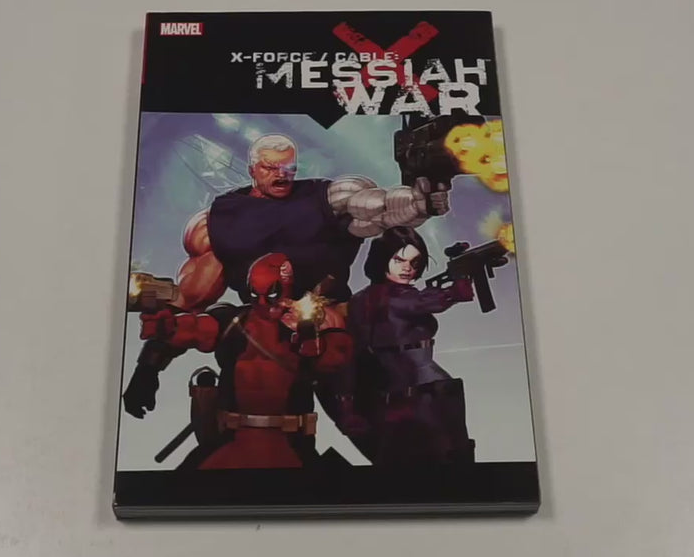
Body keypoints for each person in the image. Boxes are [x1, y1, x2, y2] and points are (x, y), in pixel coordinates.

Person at [123, 133, 449, 455]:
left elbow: (377, 209)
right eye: (270, 167)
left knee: (395, 431)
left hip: (327, 322)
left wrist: (416, 203)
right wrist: (147, 368)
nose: (281, 175)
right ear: (252, 169)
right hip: (260, 326)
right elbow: (188, 302)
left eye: (288, 168)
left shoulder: (327, 199)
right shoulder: (220, 221)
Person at [137, 253, 352, 469]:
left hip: (291, 445)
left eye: (271, 294)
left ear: (286, 287)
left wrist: (315, 346)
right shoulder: (233, 321)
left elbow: (339, 357)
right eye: (254, 294)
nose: (261, 302)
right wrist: (165, 336)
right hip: (230, 441)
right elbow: (195, 328)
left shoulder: (315, 323)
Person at [348, 226, 477, 465]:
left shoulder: (361, 298)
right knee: (444, 455)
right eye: (399, 260)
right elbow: (414, 303)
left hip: (398, 387)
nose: (408, 268)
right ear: (382, 258)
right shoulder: (389, 297)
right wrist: (453, 291)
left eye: (414, 262)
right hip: (416, 389)